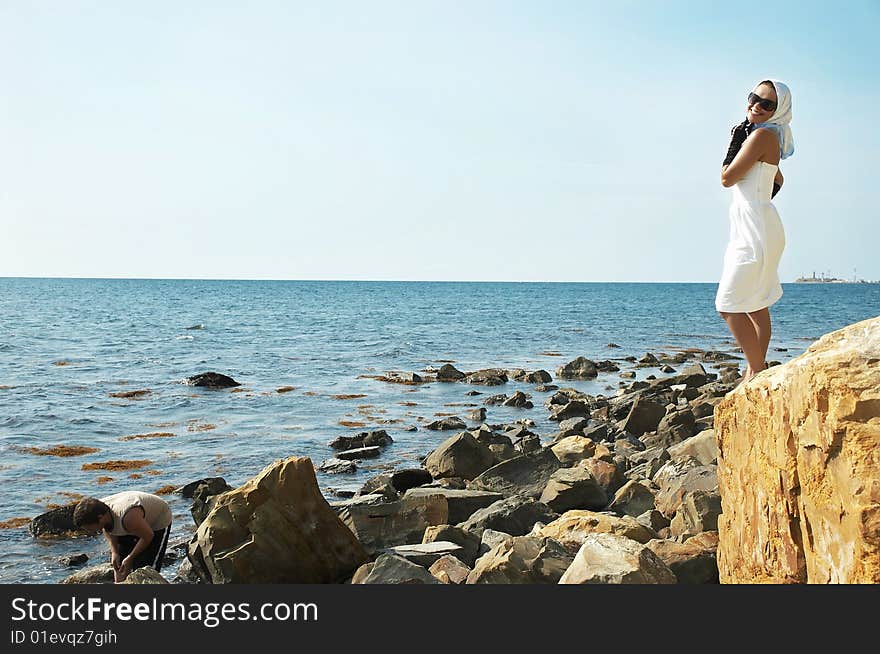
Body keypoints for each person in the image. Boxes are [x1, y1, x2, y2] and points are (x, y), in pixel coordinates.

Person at [715, 79, 794, 385]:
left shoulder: (760, 135)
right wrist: (758, 198)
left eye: (767, 104)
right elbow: (779, 180)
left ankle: (757, 369)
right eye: (754, 98)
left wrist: (735, 139)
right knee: (757, 303)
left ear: (778, 111)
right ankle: (755, 370)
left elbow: (726, 177)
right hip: (759, 223)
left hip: (754, 228)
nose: (756, 106)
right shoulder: (769, 136)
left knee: (728, 305)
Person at [72, 491, 173, 582]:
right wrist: (115, 552)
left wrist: (130, 557)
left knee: (145, 570)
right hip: (133, 521)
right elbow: (108, 529)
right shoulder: (99, 512)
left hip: (157, 521)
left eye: (89, 528)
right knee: (119, 562)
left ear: (100, 518)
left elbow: (148, 536)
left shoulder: (128, 518)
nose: (89, 531)